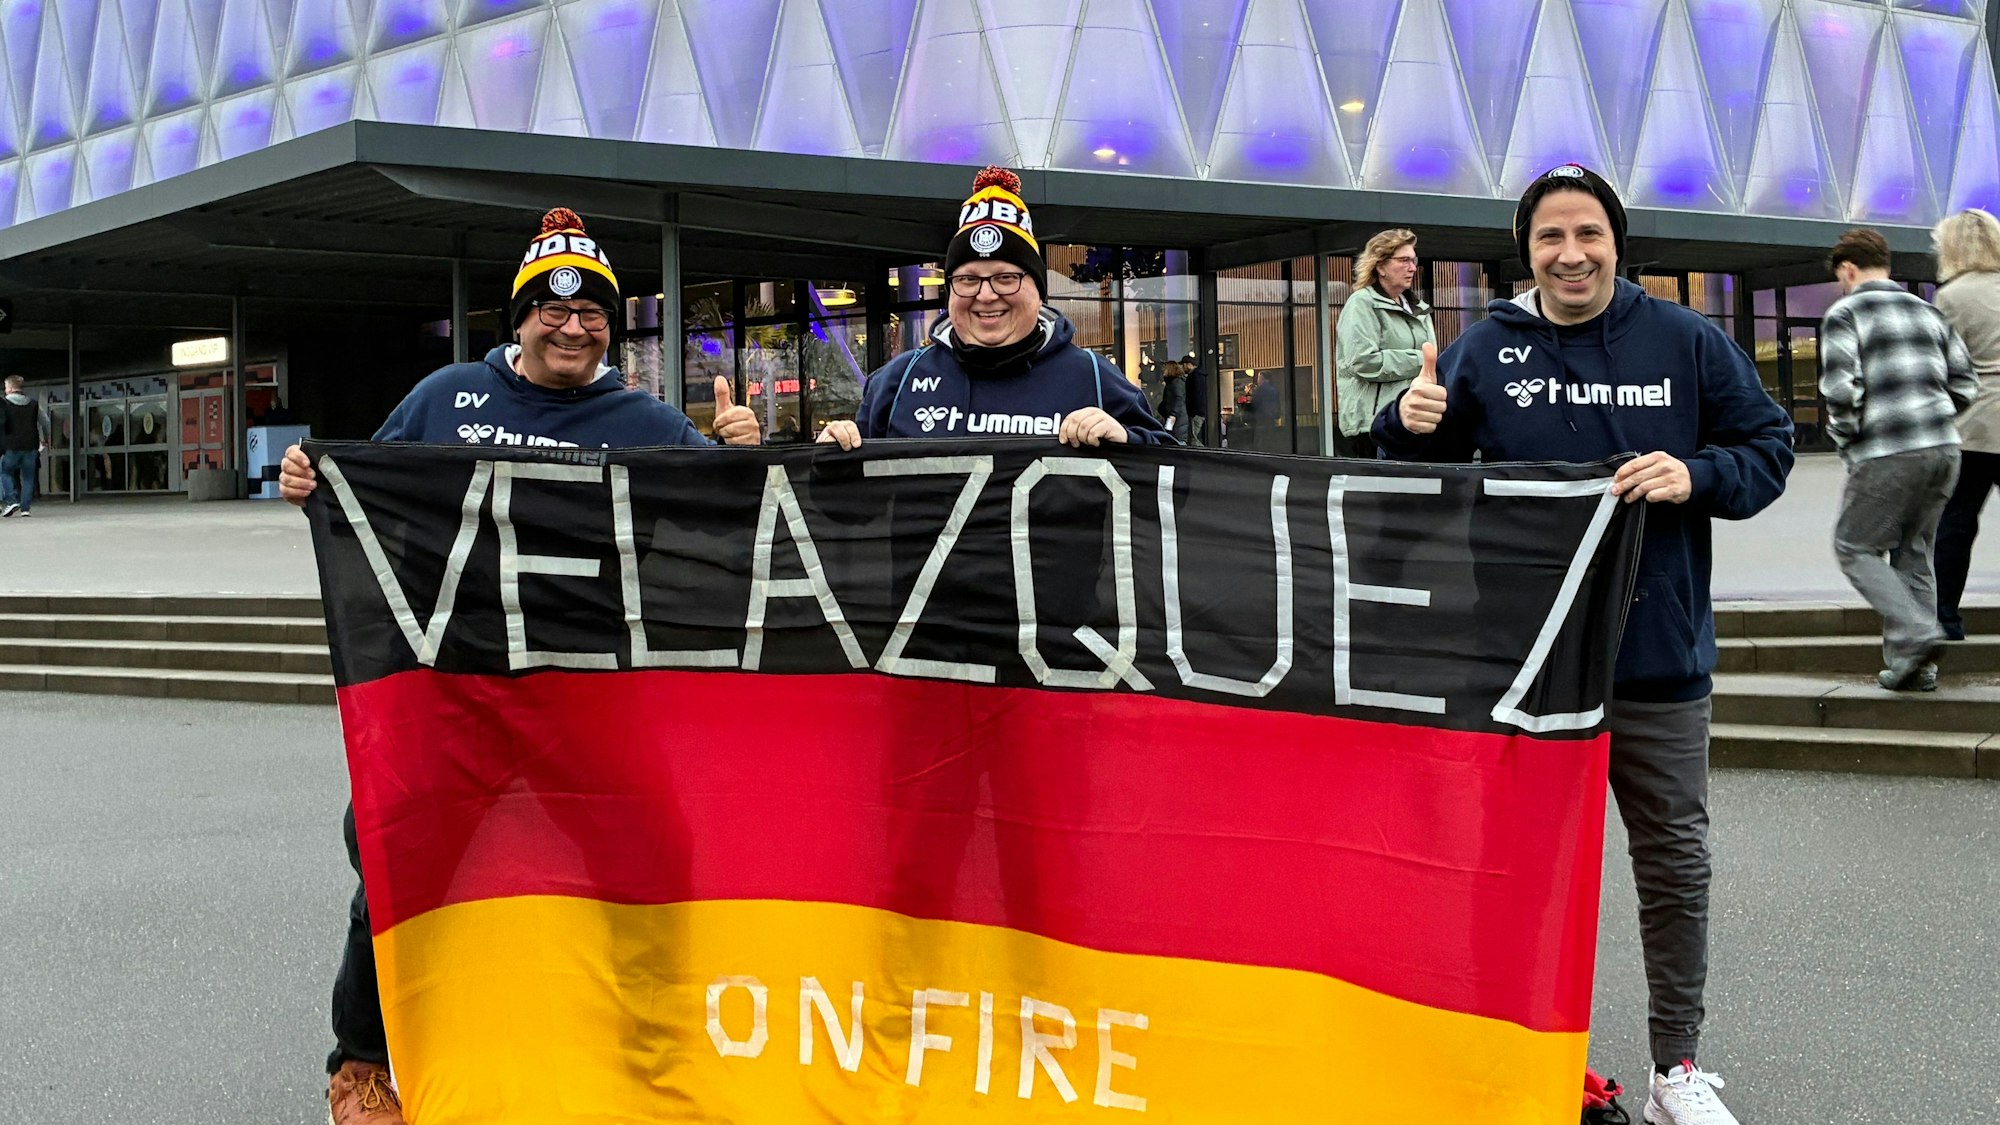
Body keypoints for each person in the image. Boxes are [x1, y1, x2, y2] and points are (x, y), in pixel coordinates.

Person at [278, 207, 762, 1125]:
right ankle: (364, 1061)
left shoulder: (647, 419)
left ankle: (647, 1039)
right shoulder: (447, 396)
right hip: (455, 686)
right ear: (521, 317)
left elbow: (741, 516)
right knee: (394, 865)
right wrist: (313, 486)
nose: (572, 326)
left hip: (589, 693)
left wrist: (744, 453)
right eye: (552, 308)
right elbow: (366, 490)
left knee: (656, 858)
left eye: (592, 313)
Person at [1374, 163, 1793, 1125]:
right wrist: (1406, 421)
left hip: (1659, 659)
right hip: (1528, 666)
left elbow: (1766, 448)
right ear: (1527, 253)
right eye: (1550, 238)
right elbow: (1416, 468)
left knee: (1674, 864)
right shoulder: (1485, 349)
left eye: (1588, 234)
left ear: (1616, 242)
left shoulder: (1686, 339)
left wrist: (1697, 474)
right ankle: (1508, 1061)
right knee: (1514, 871)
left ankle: (1675, 1068)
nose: (1571, 254)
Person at [815, 166, 1169, 449]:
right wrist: (829, 455)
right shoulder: (898, 380)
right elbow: (847, 509)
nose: (985, 296)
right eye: (968, 279)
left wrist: (1128, 441)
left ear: (1038, 291)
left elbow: (1179, 484)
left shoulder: (1093, 376)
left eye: (1005, 278)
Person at [1820, 227, 1978, 690]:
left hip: (1887, 451)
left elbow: (1839, 389)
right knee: (1914, 552)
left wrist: (1847, 438)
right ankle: (1915, 667)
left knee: (1855, 547)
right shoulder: (1928, 311)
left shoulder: (1845, 313)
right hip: (1944, 449)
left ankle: (1917, 632)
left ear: (1847, 269)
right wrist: (1932, 417)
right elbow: (1966, 383)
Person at [1929, 209, 2000, 640]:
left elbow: (1944, 367)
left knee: (1955, 523)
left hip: (1973, 427)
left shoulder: (1952, 296)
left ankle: (1945, 619)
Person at [1335, 228, 1433, 459]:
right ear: (1380, 267)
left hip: (1411, 423)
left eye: (1414, 260)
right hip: (1371, 428)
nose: (1412, 268)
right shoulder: (1361, 304)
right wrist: (1420, 360)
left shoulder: (1420, 309)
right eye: (1404, 260)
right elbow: (1363, 361)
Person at [0, 374, 46, 517]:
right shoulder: (33, 404)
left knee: (4, 472)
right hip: (31, 445)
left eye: (6, 387)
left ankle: (12, 499)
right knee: (28, 478)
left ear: (11, 388)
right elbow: (46, 422)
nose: (5, 390)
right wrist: (46, 438)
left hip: (11, 445)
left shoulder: (4, 404)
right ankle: (25, 509)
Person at [1180, 350, 1211, 446]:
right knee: (1194, 438)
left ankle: (1204, 456)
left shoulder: (1193, 377)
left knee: (1193, 439)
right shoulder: (1200, 376)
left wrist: (1192, 412)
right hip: (1200, 411)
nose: (1183, 367)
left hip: (1195, 412)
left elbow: (1196, 395)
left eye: (1184, 365)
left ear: (1188, 364)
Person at [1156, 359, 1190, 442]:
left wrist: (1172, 414)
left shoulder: (1175, 383)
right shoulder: (1175, 382)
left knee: (1174, 438)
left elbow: (1178, 399)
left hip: (1175, 418)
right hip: (1176, 417)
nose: (1162, 371)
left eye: (1164, 368)